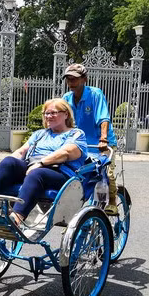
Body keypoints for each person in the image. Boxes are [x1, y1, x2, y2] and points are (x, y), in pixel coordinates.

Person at [0, 98, 87, 226]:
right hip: (33, 166)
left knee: (36, 173)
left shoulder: (76, 134)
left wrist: (41, 163)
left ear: (66, 114)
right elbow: (21, 152)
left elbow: (66, 153)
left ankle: (16, 218)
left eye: (53, 113)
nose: (48, 116)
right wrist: (9, 164)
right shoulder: (40, 134)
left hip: (60, 172)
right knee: (9, 162)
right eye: (46, 113)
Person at [61, 63, 119, 216]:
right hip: (80, 144)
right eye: (68, 80)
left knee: (106, 172)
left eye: (74, 79)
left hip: (100, 143)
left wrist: (104, 139)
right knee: (73, 174)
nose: (71, 83)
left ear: (84, 79)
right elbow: (63, 121)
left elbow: (103, 118)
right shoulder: (66, 98)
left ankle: (112, 201)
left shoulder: (95, 94)